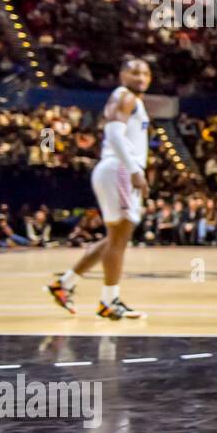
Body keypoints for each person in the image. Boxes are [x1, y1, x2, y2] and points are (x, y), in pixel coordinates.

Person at [47, 57, 153, 319]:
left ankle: (65, 284)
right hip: (119, 168)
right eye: (134, 72)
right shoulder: (126, 96)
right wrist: (135, 171)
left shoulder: (131, 99)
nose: (140, 77)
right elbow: (115, 134)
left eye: (145, 73)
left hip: (113, 169)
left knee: (113, 239)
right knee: (119, 239)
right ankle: (109, 300)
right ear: (122, 75)